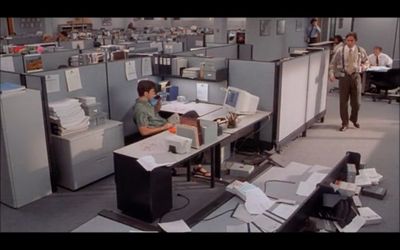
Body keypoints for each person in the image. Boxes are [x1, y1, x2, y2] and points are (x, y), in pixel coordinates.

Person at [329, 32, 370, 132]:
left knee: (356, 102)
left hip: (356, 76)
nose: (349, 42)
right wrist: (331, 74)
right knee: (343, 102)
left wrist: (364, 67)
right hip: (344, 76)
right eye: (348, 40)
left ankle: (353, 118)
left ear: (355, 41)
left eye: (352, 40)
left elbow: (367, 61)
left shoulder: (361, 50)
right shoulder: (340, 50)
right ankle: (345, 123)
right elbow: (332, 64)